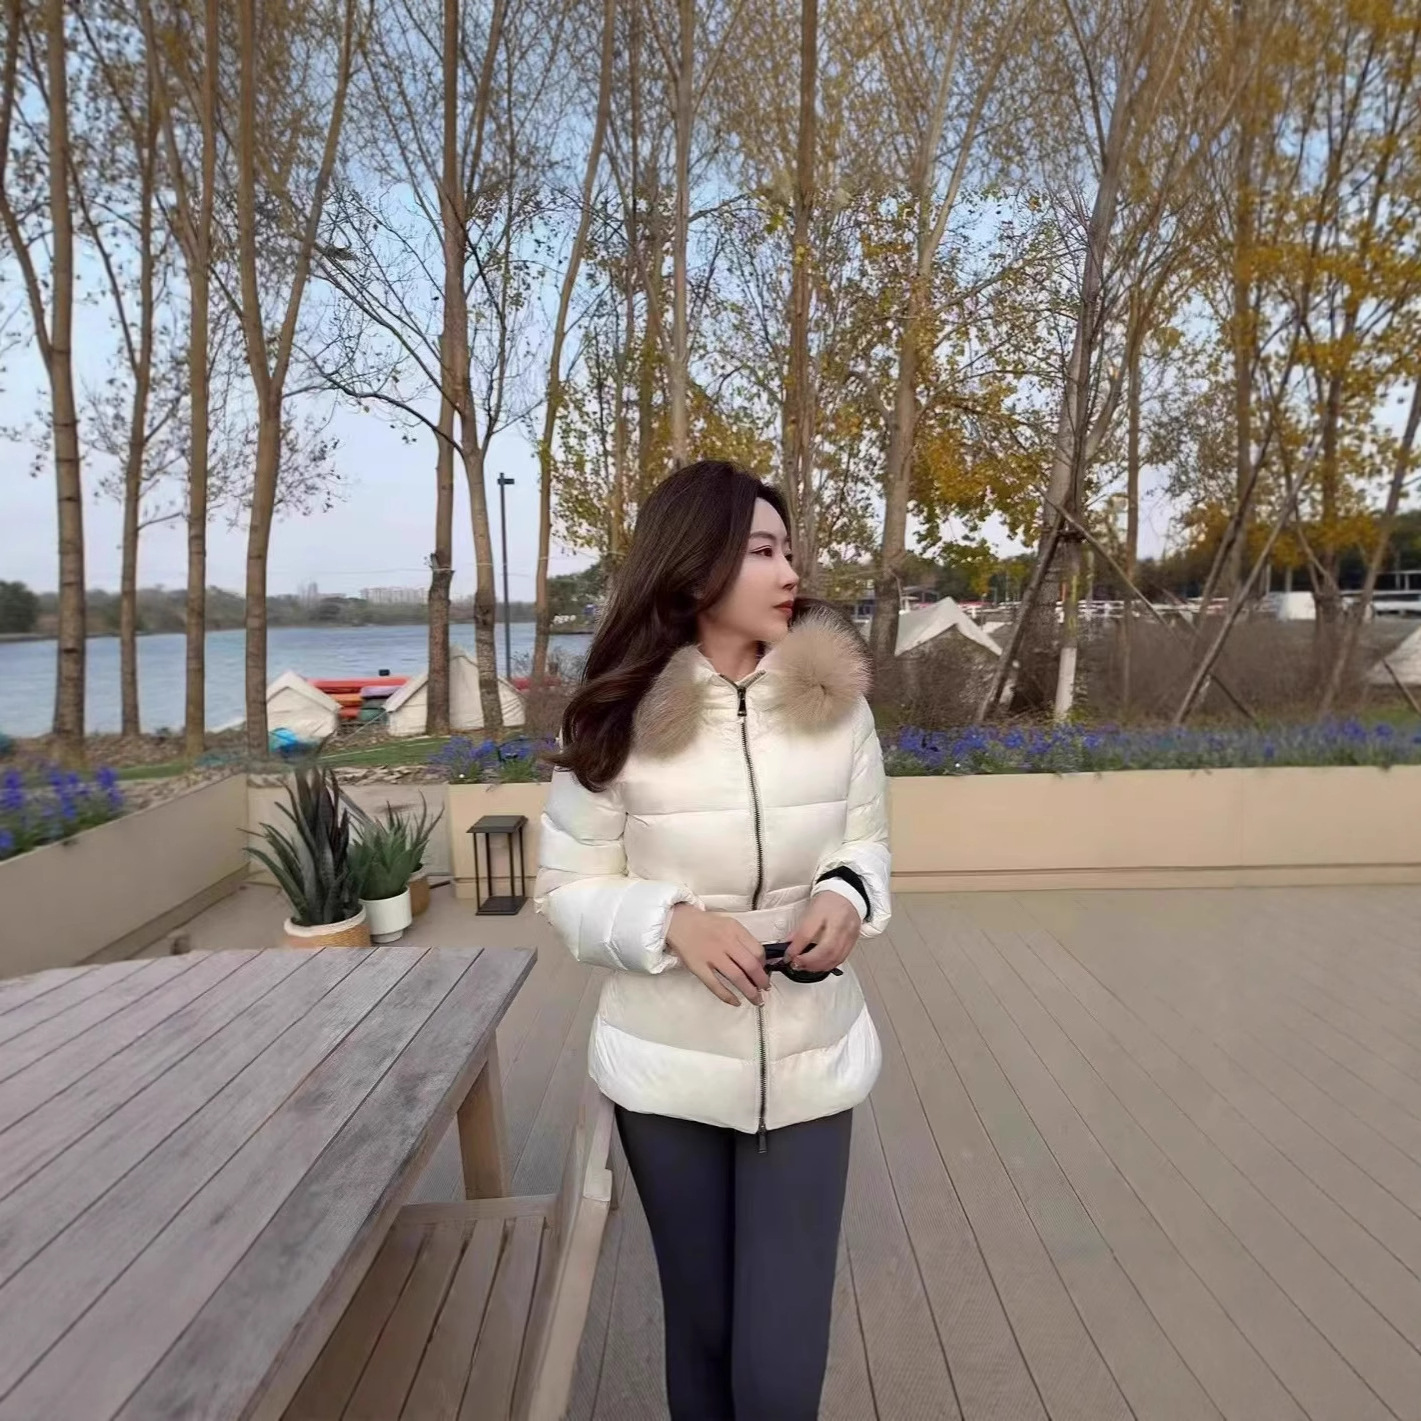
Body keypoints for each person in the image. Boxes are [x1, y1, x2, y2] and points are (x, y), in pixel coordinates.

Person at [533, 460, 891, 1421]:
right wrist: (671, 922)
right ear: (696, 568)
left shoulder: (840, 709)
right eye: (763, 550)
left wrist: (847, 894)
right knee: (701, 1335)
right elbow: (567, 889)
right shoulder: (615, 715)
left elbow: (864, 844)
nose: (790, 572)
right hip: (666, 1070)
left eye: (788, 550)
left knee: (777, 1371)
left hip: (809, 1060)